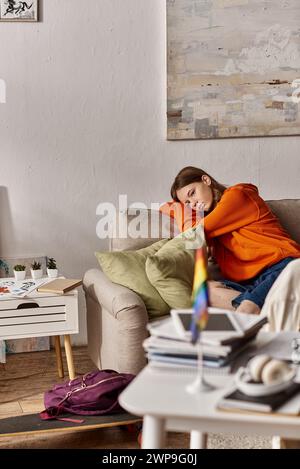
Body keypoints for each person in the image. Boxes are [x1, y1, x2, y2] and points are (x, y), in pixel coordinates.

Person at [166, 166, 300, 315]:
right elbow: (192, 239)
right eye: (188, 203)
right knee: (205, 291)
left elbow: (192, 233)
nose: (193, 203)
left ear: (206, 180)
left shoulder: (238, 195)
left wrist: (177, 208)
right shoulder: (212, 227)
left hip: (282, 266)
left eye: (193, 193)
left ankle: (262, 308)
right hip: (250, 283)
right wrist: (178, 206)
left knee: (247, 308)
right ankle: (275, 309)